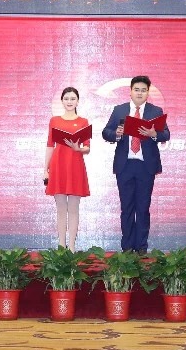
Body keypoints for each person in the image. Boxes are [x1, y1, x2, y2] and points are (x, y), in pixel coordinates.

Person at [102, 75, 170, 253]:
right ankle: (126, 247)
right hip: (125, 165)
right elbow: (106, 132)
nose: (140, 93)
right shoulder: (119, 110)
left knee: (143, 208)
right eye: (136, 89)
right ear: (130, 91)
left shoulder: (155, 111)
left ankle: (141, 247)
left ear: (148, 93)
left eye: (143, 90)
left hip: (145, 166)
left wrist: (153, 134)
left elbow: (166, 134)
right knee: (126, 208)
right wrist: (117, 134)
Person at [44, 87, 92, 249]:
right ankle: (61, 245)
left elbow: (87, 147)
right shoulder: (54, 120)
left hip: (75, 165)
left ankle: (71, 247)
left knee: (73, 208)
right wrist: (45, 169)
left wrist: (78, 148)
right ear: (62, 101)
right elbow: (50, 145)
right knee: (60, 209)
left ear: (77, 101)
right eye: (66, 99)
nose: (69, 102)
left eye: (73, 99)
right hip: (58, 165)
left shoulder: (83, 121)